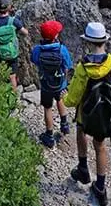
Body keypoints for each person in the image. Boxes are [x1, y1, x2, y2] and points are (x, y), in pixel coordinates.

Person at [64, 22, 111, 206]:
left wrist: (65, 100)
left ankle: (83, 167)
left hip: (86, 113)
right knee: (100, 146)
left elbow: (73, 98)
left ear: (88, 43)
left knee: (80, 130)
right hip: (105, 114)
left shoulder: (83, 68)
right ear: (105, 41)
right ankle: (100, 186)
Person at [30, 20, 73, 148]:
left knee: (47, 108)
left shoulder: (38, 50)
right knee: (60, 100)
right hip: (60, 83)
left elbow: (34, 60)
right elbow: (68, 65)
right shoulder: (62, 49)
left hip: (45, 85)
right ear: (55, 36)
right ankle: (64, 125)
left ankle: (49, 136)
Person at [0, 0, 28, 92]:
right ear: (9, 8)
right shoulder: (13, 21)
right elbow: (25, 32)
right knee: (12, 76)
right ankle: (13, 97)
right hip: (12, 53)